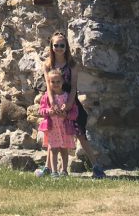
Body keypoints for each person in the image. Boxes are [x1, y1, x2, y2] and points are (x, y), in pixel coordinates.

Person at [42, 30, 106, 178]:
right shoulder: (47, 65)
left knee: (80, 134)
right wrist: (52, 104)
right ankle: (48, 168)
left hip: (70, 103)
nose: (59, 48)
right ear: (51, 46)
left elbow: (73, 88)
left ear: (66, 47)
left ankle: (96, 166)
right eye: (56, 45)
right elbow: (48, 86)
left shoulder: (72, 65)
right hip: (54, 102)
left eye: (62, 45)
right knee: (53, 133)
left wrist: (69, 105)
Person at [37, 68, 78, 176]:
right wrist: (48, 111)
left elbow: (75, 112)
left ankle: (64, 170)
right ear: (49, 83)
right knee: (54, 149)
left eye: (58, 81)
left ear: (63, 81)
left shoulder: (67, 96)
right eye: (52, 82)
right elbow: (40, 110)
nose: (55, 84)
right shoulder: (46, 97)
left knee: (64, 149)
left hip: (65, 128)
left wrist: (67, 115)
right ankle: (54, 171)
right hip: (53, 128)